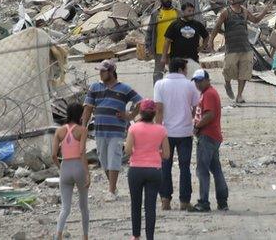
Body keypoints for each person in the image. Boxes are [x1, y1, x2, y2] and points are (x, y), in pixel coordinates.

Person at [81, 60, 142, 199]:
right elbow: (88, 108)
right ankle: (113, 188)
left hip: (116, 131)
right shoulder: (94, 87)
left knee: (114, 158)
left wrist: (130, 115)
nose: (100, 74)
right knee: (103, 159)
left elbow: (140, 102)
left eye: (103, 71)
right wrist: (84, 126)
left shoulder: (124, 88)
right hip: (100, 130)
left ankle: (111, 191)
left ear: (111, 72)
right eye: (100, 71)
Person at [153, 58, 201, 212]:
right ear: (180, 69)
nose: (187, 72)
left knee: (165, 166)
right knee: (185, 166)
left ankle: (165, 199)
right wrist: (190, 118)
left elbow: (159, 110)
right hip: (185, 132)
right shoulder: (190, 85)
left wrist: (157, 131)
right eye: (185, 69)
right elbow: (196, 106)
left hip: (166, 132)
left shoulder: (160, 84)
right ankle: (184, 201)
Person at [210, 0, 269, 103]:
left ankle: (239, 95)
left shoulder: (244, 11)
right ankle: (227, 84)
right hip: (232, 47)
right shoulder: (226, 12)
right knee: (228, 69)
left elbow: (255, 20)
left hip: (245, 47)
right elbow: (217, 27)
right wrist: (211, 40)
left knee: (244, 71)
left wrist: (264, 11)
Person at [124, 99, 170, 240]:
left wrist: (137, 151)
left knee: (136, 204)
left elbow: (127, 151)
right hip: (154, 170)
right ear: (154, 113)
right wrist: (155, 153)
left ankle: (136, 235)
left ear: (141, 112)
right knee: (150, 206)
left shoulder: (134, 128)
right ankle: (150, 237)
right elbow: (167, 154)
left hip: (136, 169)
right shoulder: (161, 130)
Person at [190, 69, 229, 212]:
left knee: (202, 170)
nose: (198, 84)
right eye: (196, 81)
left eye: (200, 81)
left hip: (207, 136)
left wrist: (197, 126)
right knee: (216, 169)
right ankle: (222, 201)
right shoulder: (206, 93)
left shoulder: (209, 94)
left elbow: (209, 115)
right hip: (212, 136)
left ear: (207, 80)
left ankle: (204, 202)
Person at [52, 102, 90, 240]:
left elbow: (53, 155)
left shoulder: (59, 131)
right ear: (80, 115)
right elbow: (82, 152)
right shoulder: (82, 130)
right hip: (79, 167)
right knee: (83, 206)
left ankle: (58, 234)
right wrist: (87, 173)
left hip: (65, 167)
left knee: (65, 208)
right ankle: (85, 236)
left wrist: (60, 167)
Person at [163, 2, 209, 78]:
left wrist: (202, 47)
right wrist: (164, 57)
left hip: (193, 59)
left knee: (192, 81)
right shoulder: (175, 24)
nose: (191, 13)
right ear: (182, 12)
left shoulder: (197, 25)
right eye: (189, 11)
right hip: (177, 60)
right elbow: (167, 41)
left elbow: (206, 36)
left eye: (193, 11)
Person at [146, 0, 180, 83]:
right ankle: (157, 90)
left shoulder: (177, 12)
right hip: (159, 49)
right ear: (161, 0)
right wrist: (148, 47)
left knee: (175, 73)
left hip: (175, 49)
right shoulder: (155, 14)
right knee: (158, 73)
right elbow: (149, 31)